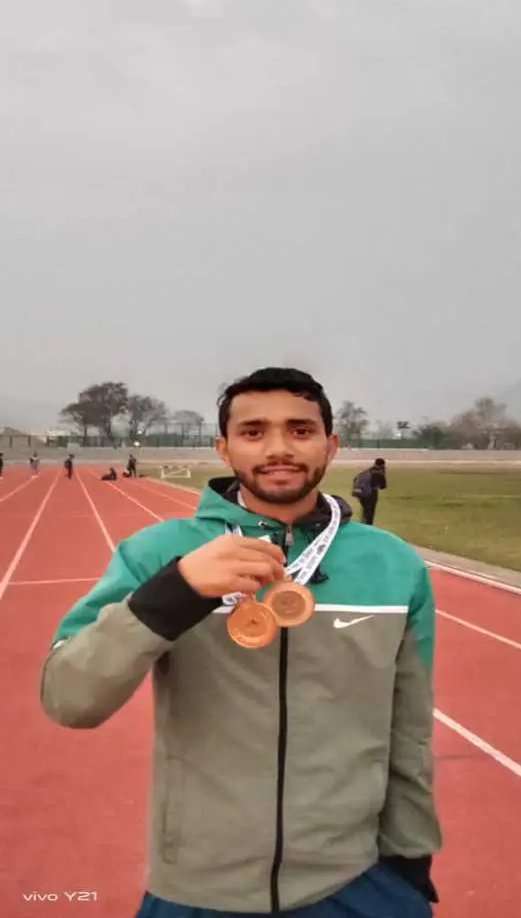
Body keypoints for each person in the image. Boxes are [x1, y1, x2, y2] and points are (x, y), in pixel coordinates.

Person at [40, 368, 441, 918]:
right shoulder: (156, 553)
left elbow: (409, 729)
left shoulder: (393, 564)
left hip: (356, 879)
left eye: (300, 430)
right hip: (198, 888)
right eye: (253, 432)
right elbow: (69, 698)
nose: (278, 448)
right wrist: (176, 591)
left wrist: (411, 858)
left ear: (330, 445)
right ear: (224, 448)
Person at [352, 457, 387, 525]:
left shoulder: (367, 471)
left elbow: (355, 479)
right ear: (382, 465)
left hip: (361, 494)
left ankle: (363, 523)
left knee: (365, 510)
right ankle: (368, 525)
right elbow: (383, 486)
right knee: (370, 512)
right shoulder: (379, 473)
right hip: (371, 494)